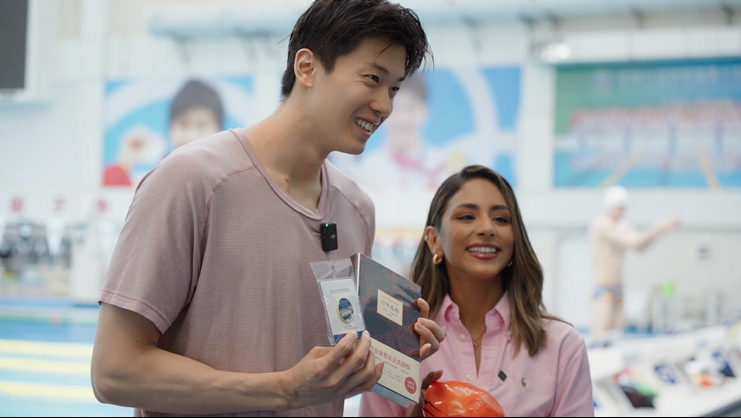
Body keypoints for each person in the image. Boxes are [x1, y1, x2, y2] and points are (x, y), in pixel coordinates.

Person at [90, 1, 444, 416]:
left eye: (394, 89)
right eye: (372, 79)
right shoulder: (192, 181)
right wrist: (283, 389)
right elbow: (113, 371)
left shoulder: (357, 210)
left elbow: (322, 381)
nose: (385, 105)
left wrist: (390, 347)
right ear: (307, 68)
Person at [360, 165, 595, 417]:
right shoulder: (395, 339)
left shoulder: (562, 346)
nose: (487, 228)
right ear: (434, 240)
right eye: (467, 217)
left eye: (501, 219)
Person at [589, 185, 680, 337]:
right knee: (600, 336)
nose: (620, 212)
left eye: (623, 208)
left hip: (618, 289)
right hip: (603, 289)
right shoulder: (601, 224)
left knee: (615, 337)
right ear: (608, 206)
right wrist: (659, 227)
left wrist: (661, 231)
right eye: (617, 207)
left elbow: (640, 247)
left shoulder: (623, 225)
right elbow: (633, 242)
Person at [103, 79, 225, 186]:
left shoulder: (230, 180)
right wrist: (126, 161)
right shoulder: (153, 183)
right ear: (170, 128)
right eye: (183, 125)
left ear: (220, 130)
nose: (191, 136)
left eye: (202, 125)